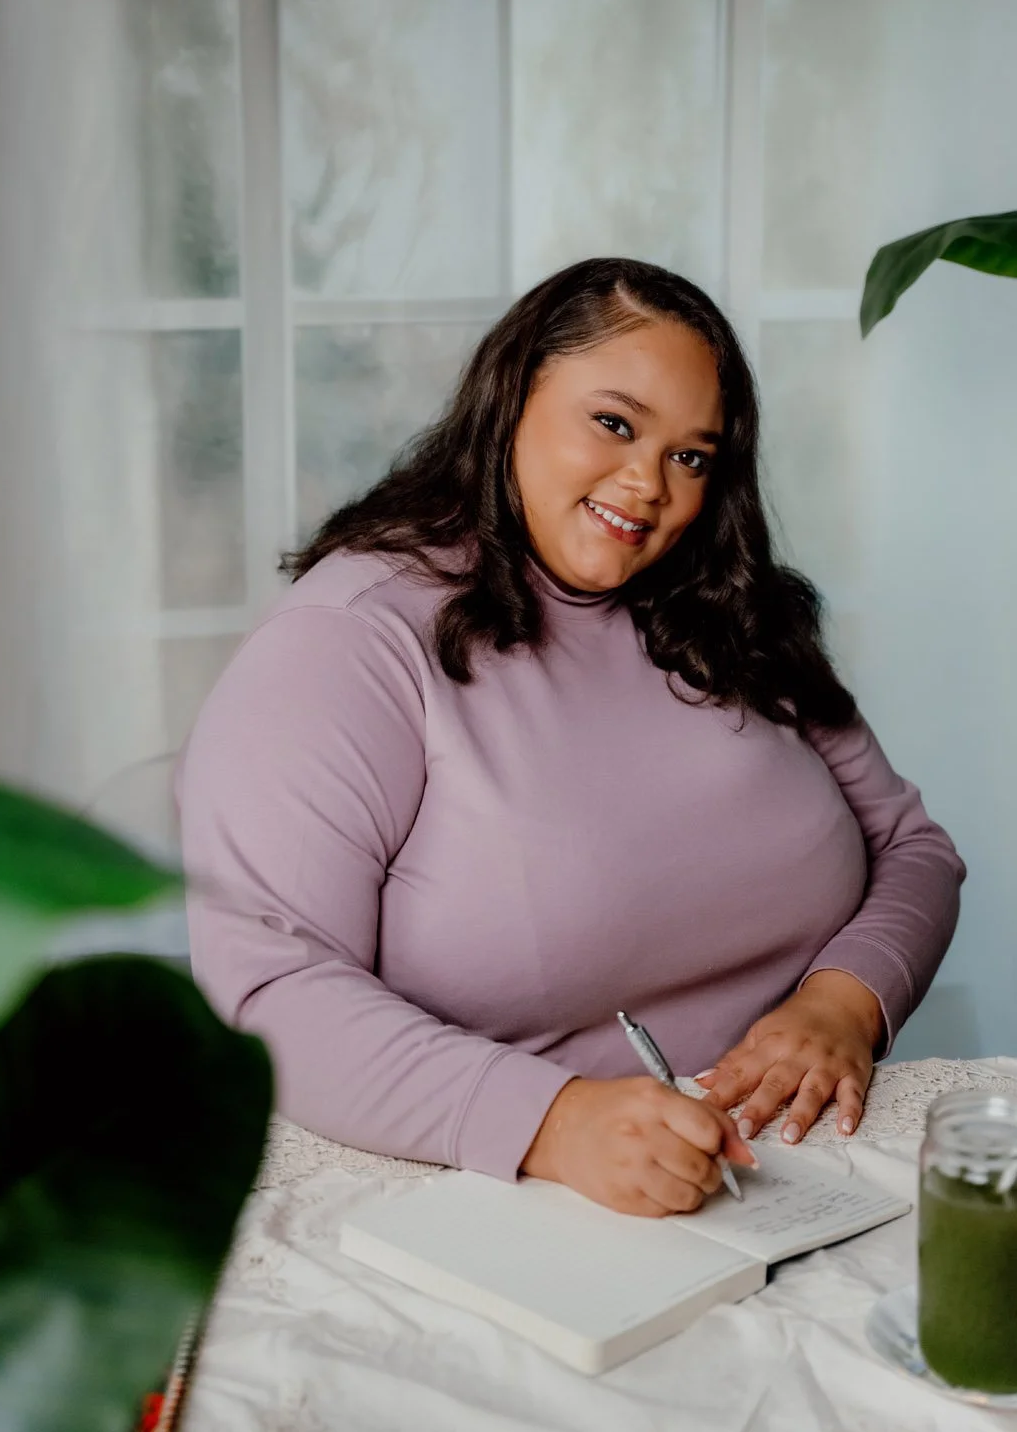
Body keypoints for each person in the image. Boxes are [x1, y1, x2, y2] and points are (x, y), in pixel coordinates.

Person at [178, 257, 965, 1220]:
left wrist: (844, 1001)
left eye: (691, 457)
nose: (647, 485)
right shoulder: (347, 640)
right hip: (500, 1198)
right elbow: (269, 992)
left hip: (804, 1181)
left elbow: (912, 847)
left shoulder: (727, 610)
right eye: (614, 424)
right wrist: (552, 1123)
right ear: (512, 396)